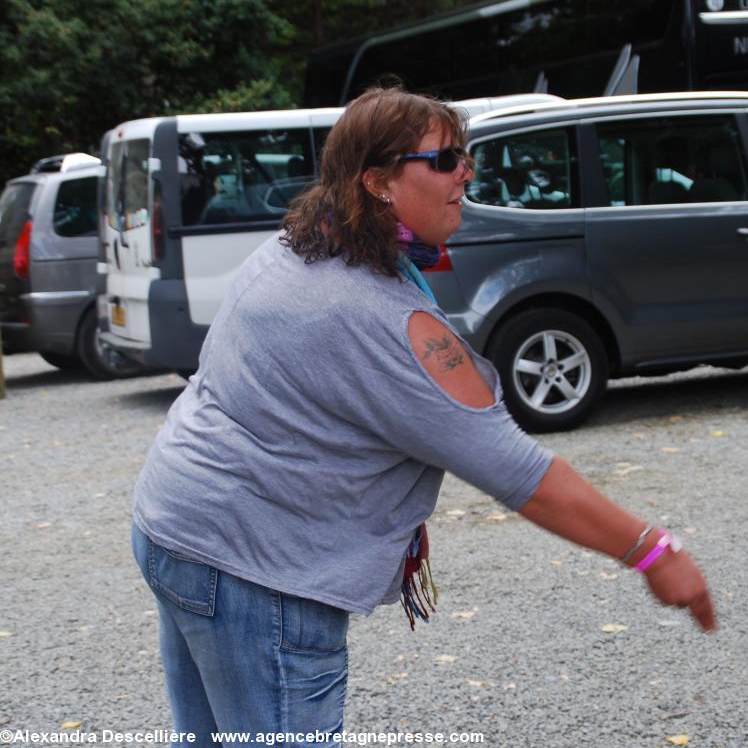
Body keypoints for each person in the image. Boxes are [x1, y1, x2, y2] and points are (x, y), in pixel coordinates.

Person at [131, 86, 716, 748]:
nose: (466, 171)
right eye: (443, 160)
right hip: (255, 569)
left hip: (175, 525)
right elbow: (519, 470)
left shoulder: (300, 245)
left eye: (463, 155)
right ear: (378, 182)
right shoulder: (381, 319)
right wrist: (651, 551)